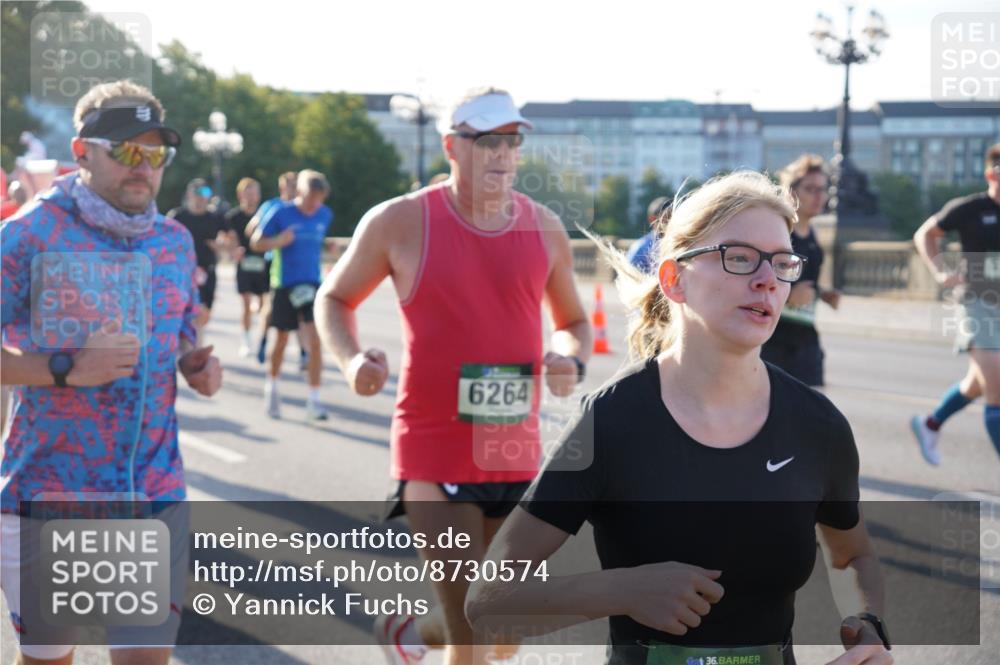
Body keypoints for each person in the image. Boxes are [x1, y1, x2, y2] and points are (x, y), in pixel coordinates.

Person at [466, 171, 891, 665]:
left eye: (781, 263)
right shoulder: (613, 420)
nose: (767, 279)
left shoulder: (818, 424)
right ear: (674, 279)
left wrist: (869, 626)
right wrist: (622, 589)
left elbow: (852, 556)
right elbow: (488, 602)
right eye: (739, 257)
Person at [315, 87, 592, 665]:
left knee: (505, 635)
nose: (502, 154)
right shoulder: (401, 220)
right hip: (433, 449)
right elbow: (335, 297)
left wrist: (570, 357)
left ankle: (413, 637)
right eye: (487, 140)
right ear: (452, 146)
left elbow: (571, 321)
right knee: (472, 642)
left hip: (512, 450)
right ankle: (436, 639)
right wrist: (351, 360)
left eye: (511, 141)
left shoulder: (543, 228)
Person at [1, 80, 222, 665]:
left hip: (152, 494)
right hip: (52, 492)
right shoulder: (28, 235)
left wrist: (193, 364)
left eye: (156, 154)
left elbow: (178, 335)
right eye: (126, 150)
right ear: (81, 152)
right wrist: (64, 369)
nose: (143, 167)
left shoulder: (174, 242)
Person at [911, 143, 1000, 465]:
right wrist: (939, 270)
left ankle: (929, 423)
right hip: (976, 303)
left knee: (977, 384)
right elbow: (925, 234)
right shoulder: (970, 208)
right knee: (998, 389)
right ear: (992, 173)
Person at [250, 169, 332, 422]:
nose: (313, 205)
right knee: (282, 340)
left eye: (318, 199)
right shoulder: (280, 213)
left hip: (311, 284)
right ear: (299, 192)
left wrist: (327, 247)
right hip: (284, 284)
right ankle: (272, 388)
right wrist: (278, 241)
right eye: (309, 199)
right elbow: (256, 242)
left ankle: (314, 401)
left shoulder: (325, 215)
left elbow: (316, 243)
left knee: (315, 342)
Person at [760, 155, 841, 388]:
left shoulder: (813, 235)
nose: (819, 196)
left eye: (823, 189)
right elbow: (753, 280)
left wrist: (823, 293)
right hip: (774, 341)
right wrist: (788, 298)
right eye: (810, 189)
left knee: (814, 414)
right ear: (792, 191)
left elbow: (802, 280)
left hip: (806, 338)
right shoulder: (778, 233)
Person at [251, 171, 307, 369]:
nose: (296, 190)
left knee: (301, 310)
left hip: (300, 265)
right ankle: (263, 340)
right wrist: (277, 240)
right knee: (270, 307)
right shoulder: (272, 206)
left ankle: (304, 353)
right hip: (275, 264)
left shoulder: (303, 208)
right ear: (283, 187)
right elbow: (252, 230)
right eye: (292, 186)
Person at [167, 178, 231, 338]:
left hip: (207, 271)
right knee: (184, 313)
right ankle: (191, 347)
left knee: (204, 314)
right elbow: (164, 244)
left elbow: (231, 240)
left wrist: (222, 245)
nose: (201, 198)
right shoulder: (177, 216)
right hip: (182, 272)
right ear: (189, 194)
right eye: (197, 193)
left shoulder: (216, 217)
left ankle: (193, 342)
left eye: (205, 194)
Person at [226, 177, 270, 357]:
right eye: (248, 193)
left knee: (261, 305)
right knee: (245, 303)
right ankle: (246, 340)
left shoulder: (266, 215)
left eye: (254, 193)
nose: (251, 197)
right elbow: (229, 240)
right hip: (244, 265)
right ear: (240, 195)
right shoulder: (233, 217)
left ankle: (259, 331)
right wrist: (234, 250)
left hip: (263, 265)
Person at [626, 196, 672, 273]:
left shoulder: (682, 243)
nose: (670, 220)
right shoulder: (641, 248)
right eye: (667, 217)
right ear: (652, 219)